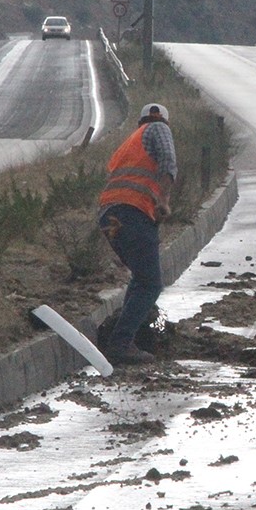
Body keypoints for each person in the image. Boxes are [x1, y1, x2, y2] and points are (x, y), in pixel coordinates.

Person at [97, 102, 178, 366]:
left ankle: (129, 335)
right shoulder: (159, 128)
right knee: (151, 283)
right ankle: (121, 343)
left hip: (110, 215)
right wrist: (163, 200)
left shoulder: (130, 142)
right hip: (132, 212)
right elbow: (168, 162)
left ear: (138, 121)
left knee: (141, 278)